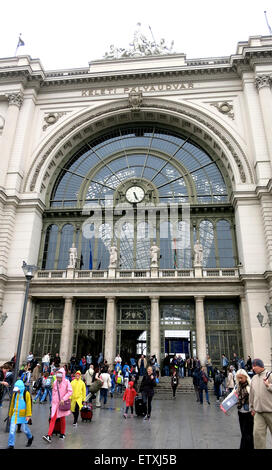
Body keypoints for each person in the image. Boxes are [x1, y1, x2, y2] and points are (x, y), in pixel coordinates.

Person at [42, 368, 72, 443]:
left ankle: (62, 433)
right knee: (53, 418)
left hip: (62, 403)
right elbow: (54, 392)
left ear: (63, 375)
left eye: (60, 375)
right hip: (55, 404)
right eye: (57, 375)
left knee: (62, 418)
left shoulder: (67, 382)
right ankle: (49, 435)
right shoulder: (55, 382)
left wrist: (64, 399)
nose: (58, 377)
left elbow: (70, 391)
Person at [249, 358, 272, 449]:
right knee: (257, 436)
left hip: (270, 411)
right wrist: (252, 408)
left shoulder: (269, 375)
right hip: (258, 412)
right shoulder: (254, 378)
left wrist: (268, 386)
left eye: (255, 366)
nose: (253, 368)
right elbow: (252, 394)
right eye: (252, 366)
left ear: (261, 366)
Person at [7, 379, 33, 449]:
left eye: (18, 389)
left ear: (21, 388)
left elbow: (28, 405)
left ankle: (30, 437)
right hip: (15, 415)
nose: (17, 391)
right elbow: (12, 404)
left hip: (23, 415)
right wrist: (10, 414)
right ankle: (11, 445)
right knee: (12, 430)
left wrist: (28, 415)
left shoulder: (26, 393)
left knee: (24, 429)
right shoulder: (15, 394)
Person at [236, 368, 254, 449]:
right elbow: (233, 398)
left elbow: (255, 399)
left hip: (249, 413)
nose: (240, 379)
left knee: (247, 434)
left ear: (246, 377)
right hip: (240, 412)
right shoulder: (238, 387)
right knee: (244, 433)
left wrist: (254, 409)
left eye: (241, 377)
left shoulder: (249, 386)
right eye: (238, 378)